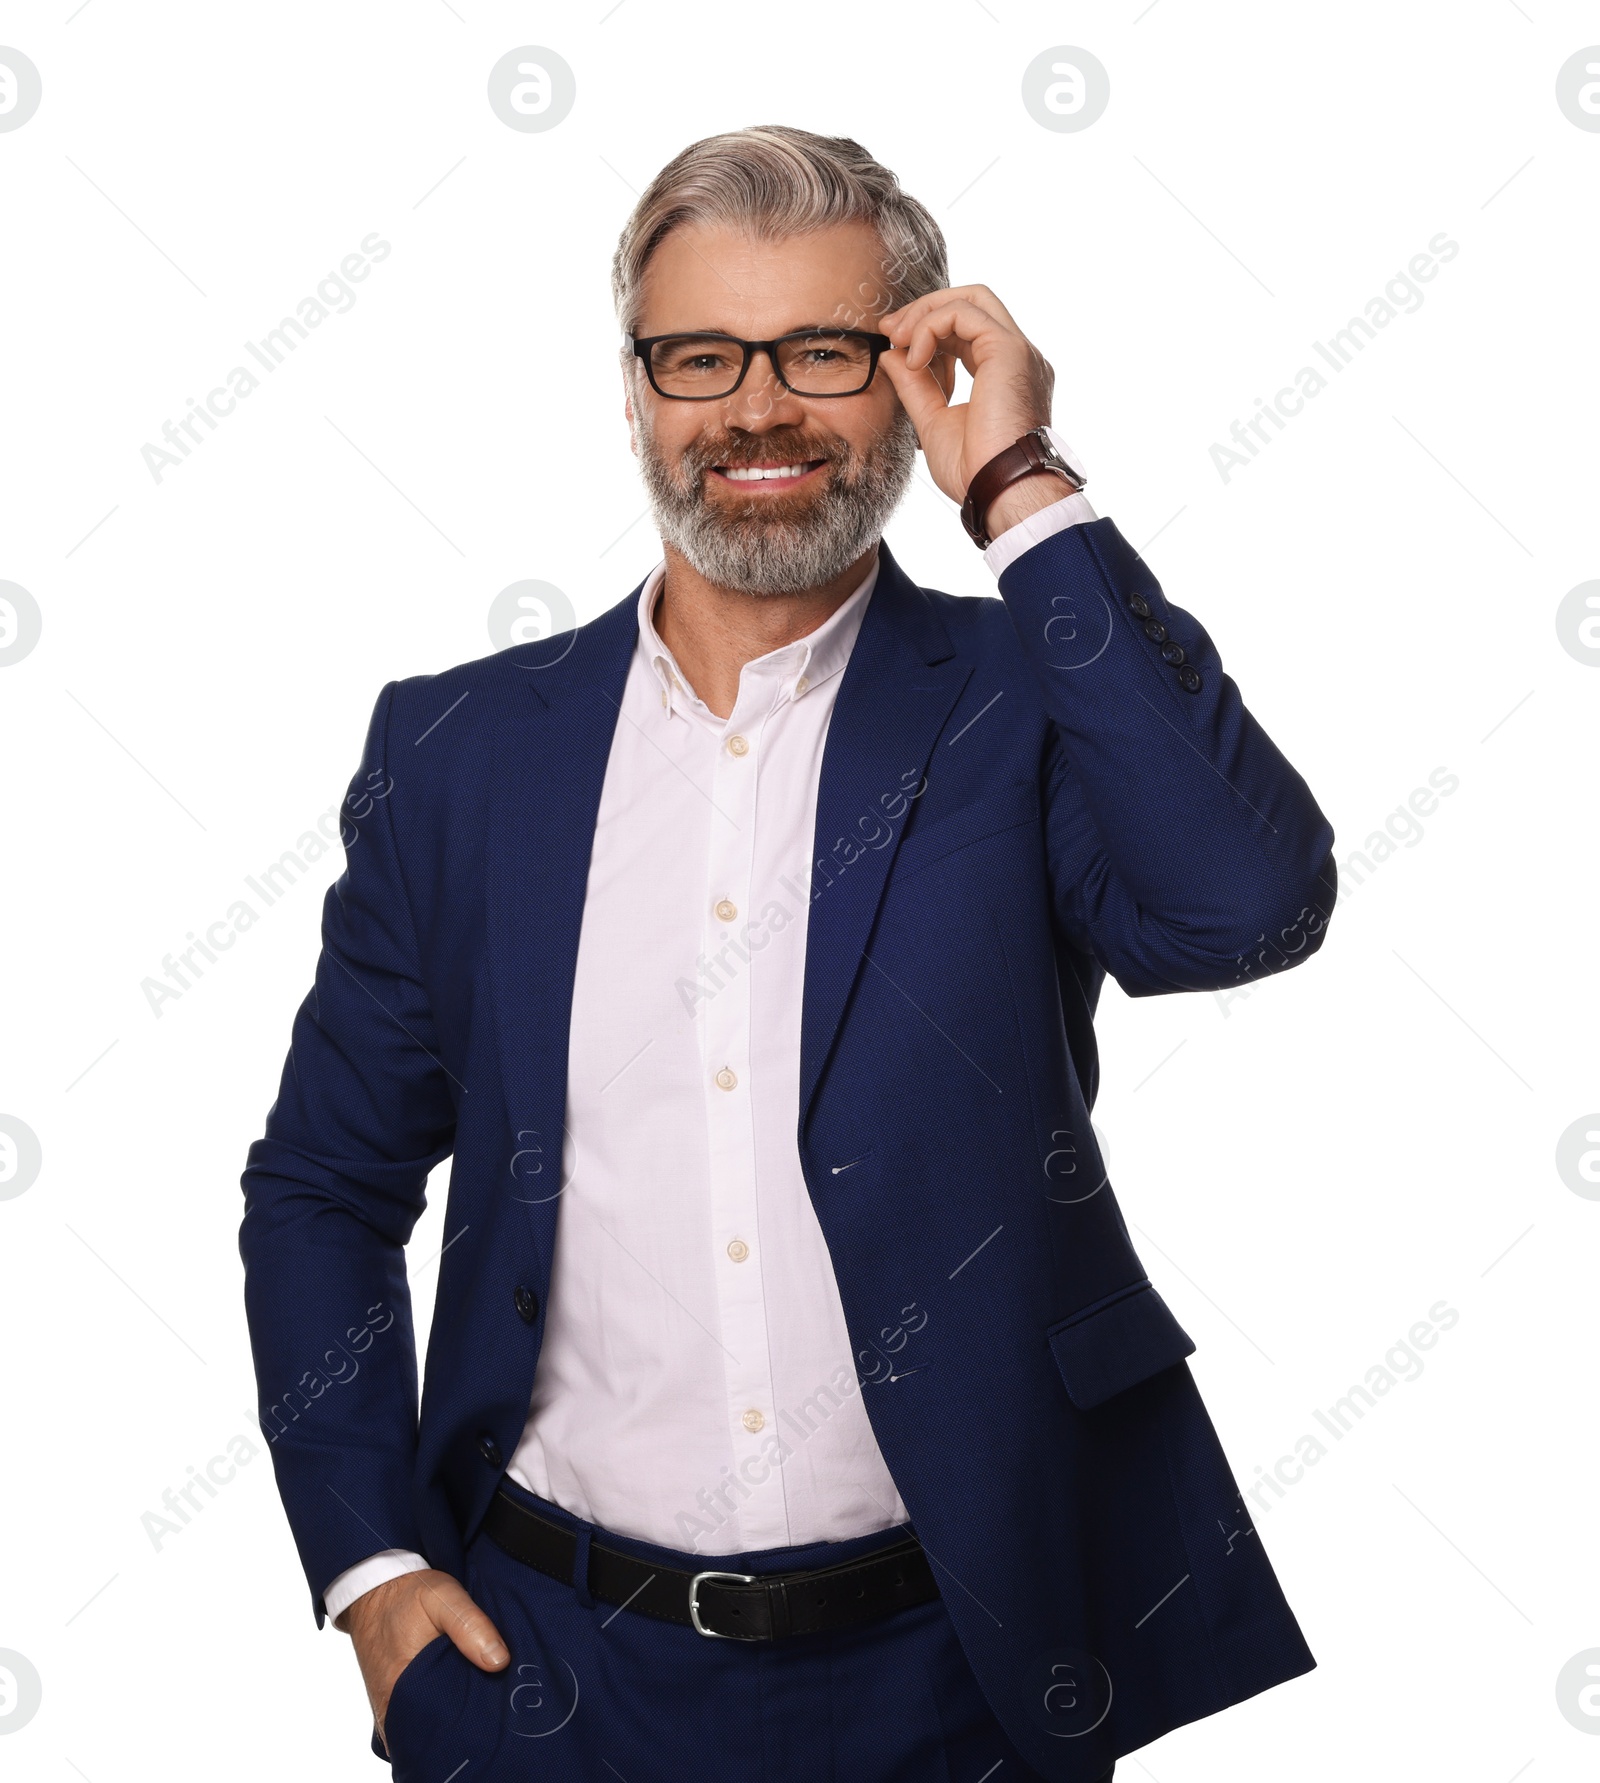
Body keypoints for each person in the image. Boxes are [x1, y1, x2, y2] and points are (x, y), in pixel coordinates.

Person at [239, 124, 1336, 1782]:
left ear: (906, 373)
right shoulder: (461, 755)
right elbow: (324, 1184)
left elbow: (1247, 904)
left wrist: (1019, 488)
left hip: (962, 1671)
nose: (757, 408)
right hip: (546, 1675)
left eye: (823, 352)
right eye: (701, 356)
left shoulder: (1026, 706)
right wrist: (373, 1576)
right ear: (635, 391)